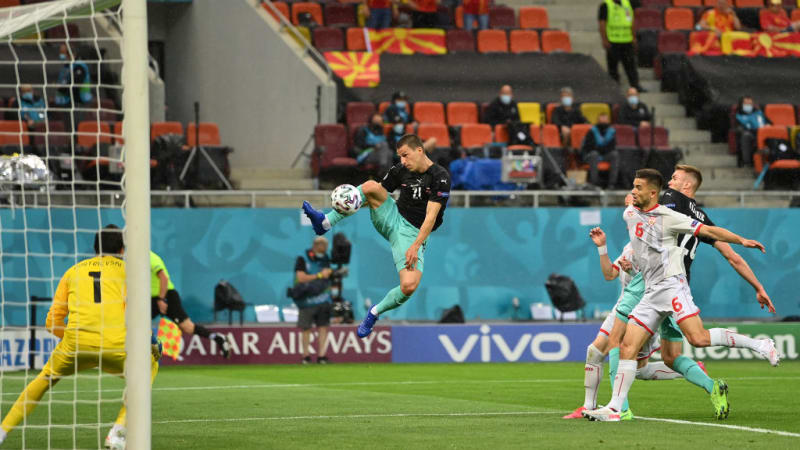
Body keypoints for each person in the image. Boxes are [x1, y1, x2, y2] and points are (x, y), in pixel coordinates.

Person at [584, 168, 779, 422]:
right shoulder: (630, 213)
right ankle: (615, 408)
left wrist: (742, 240)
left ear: (655, 193)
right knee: (628, 347)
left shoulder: (670, 212)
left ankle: (761, 345)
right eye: (632, 186)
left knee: (697, 338)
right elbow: (633, 208)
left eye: (638, 188)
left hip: (673, 286)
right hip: (651, 290)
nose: (632, 192)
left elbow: (710, 232)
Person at [0, 225, 160, 449]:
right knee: (149, 368)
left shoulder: (73, 271)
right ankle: (117, 432)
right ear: (123, 249)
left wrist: (77, 335)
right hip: (117, 345)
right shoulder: (130, 273)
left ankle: (2, 430)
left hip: (75, 345)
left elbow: (51, 323)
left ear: (95, 248)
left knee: (44, 379)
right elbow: (138, 319)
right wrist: (153, 344)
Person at [302, 134, 451, 338]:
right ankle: (325, 223)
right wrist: (350, 203)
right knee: (371, 186)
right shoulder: (400, 170)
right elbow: (373, 195)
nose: (403, 161)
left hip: (413, 234)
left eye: (405, 155)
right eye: (400, 157)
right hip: (392, 217)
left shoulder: (440, 177)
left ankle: (374, 313)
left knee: (409, 286)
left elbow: (431, 217)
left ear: (419, 150)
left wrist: (415, 245)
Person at [563, 195, 687, 421]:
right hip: (624, 304)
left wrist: (633, 272)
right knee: (598, 353)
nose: (628, 202)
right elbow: (610, 274)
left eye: (633, 195)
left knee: (634, 365)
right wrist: (602, 248)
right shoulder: (631, 246)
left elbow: (652, 278)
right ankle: (588, 407)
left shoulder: (654, 240)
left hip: (644, 307)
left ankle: (686, 371)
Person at [151, 251, 232, 358]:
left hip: (166, 296)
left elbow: (164, 278)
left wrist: (161, 299)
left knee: (187, 327)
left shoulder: (150, 257)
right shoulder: (135, 260)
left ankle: (219, 338)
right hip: (150, 299)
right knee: (136, 324)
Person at [294, 236, 334, 364]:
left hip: (323, 299)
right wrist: (320, 275)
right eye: (323, 245)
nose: (325, 248)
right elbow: (300, 278)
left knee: (323, 327)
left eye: (326, 246)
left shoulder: (326, 258)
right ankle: (305, 356)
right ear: (316, 245)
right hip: (307, 299)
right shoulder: (303, 258)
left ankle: (321, 356)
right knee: (306, 328)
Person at [598, 0, 643, 92]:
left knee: (631, 66)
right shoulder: (605, 5)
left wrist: (633, 37)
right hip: (613, 41)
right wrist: (604, 39)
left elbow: (632, 21)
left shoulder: (628, 3)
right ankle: (614, 88)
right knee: (613, 67)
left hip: (627, 41)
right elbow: (602, 24)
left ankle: (635, 86)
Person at [581, 112, 619, 189]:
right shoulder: (592, 131)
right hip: (591, 155)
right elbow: (589, 146)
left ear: (608, 121)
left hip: (604, 155)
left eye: (605, 119)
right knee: (594, 154)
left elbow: (612, 147)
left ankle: (612, 184)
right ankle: (594, 183)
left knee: (614, 154)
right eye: (602, 119)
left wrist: (601, 150)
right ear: (598, 120)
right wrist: (601, 149)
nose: (603, 121)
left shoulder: (611, 132)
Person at [734, 96, 769, 167]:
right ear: (742, 105)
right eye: (746, 104)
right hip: (751, 134)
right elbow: (738, 128)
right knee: (746, 135)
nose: (748, 106)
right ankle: (747, 162)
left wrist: (768, 126)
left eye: (750, 104)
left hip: (764, 133)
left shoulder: (758, 113)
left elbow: (769, 122)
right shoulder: (739, 115)